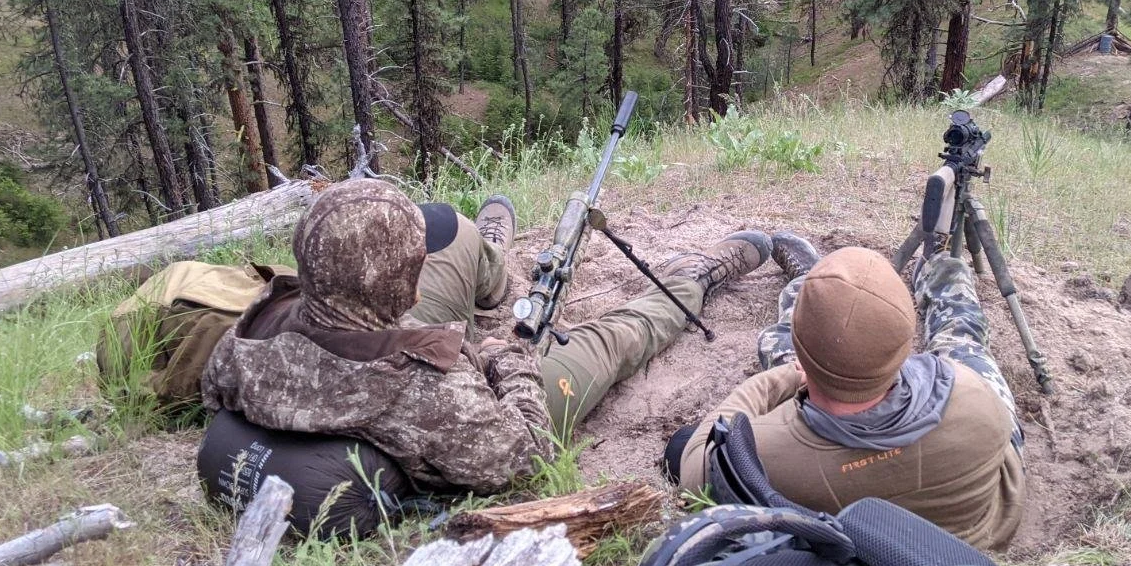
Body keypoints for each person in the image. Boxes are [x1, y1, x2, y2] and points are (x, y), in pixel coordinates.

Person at [201, 177, 772, 494]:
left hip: (347, 332)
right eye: (415, 256)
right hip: (461, 393)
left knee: (460, 232)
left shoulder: (256, 325)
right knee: (612, 339)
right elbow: (523, 457)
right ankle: (690, 280)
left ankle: (490, 248)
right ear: (401, 281)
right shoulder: (423, 389)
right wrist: (512, 362)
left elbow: (216, 385)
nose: (422, 258)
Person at [673, 234, 1025, 549]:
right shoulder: (977, 398)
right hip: (982, 525)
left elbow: (694, 466)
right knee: (962, 335)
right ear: (906, 350)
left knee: (773, 343)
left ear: (803, 354)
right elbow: (1005, 454)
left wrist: (788, 376)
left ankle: (804, 289)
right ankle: (943, 268)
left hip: (843, 519)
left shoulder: (764, 452)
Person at [95, 193, 514, 412]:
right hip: (360, 330)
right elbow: (520, 450)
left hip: (314, 317)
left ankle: (485, 260)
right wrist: (509, 361)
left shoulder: (234, 358)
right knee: (452, 225)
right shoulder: (404, 377)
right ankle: (490, 263)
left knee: (426, 224)